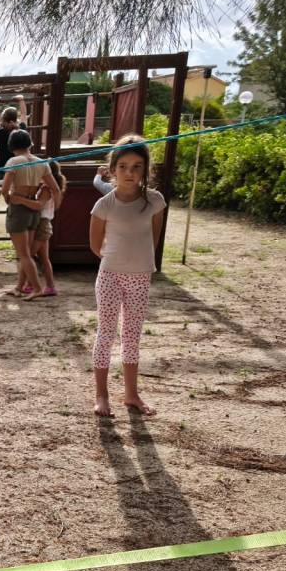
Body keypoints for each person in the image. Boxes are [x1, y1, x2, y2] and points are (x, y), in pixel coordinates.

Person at [89, 134, 166, 418]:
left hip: (140, 277)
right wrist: (116, 260)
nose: (129, 173)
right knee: (106, 333)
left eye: (136, 167)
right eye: (122, 166)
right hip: (110, 275)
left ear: (146, 169)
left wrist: (137, 262)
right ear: (112, 169)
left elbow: (153, 239)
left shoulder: (155, 201)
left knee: (132, 336)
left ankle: (131, 394)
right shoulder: (104, 205)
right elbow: (95, 245)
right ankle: (101, 394)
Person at [0, 130, 62, 299]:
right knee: (27, 253)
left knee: (24, 255)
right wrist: (55, 207)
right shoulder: (42, 163)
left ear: (11, 145)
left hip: (18, 210)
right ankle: (20, 288)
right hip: (33, 211)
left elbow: (4, 189)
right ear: (30, 144)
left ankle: (36, 288)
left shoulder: (13, 161)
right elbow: (56, 189)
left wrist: (9, 199)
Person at [9, 159, 65, 297]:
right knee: (43, 258)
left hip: (41, 225)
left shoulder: (46, 189)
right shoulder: (51, 188)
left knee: (26, 256)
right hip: (44, 224)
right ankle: (47, 287)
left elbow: (39, 205)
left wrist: (20, 199)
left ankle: (21, 287)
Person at [0, 95, 28, 193]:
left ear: (3, 120)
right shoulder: (21, 130)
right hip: (19, 169)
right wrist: (21, 100)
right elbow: (24, 114)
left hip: (1, 169)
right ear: (15, 119)